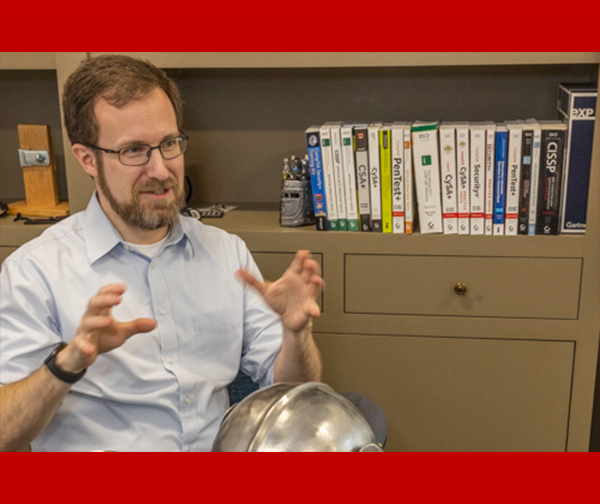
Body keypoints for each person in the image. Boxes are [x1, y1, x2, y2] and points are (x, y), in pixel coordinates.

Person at [0, 55, 323, 452]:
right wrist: (66, 364)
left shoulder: (226, 253)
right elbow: (6, 432)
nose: (160, 169)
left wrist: (296, 335)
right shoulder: (35, 271)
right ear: (88, 159)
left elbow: (292, 390)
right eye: (134, 151)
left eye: (169, 144)